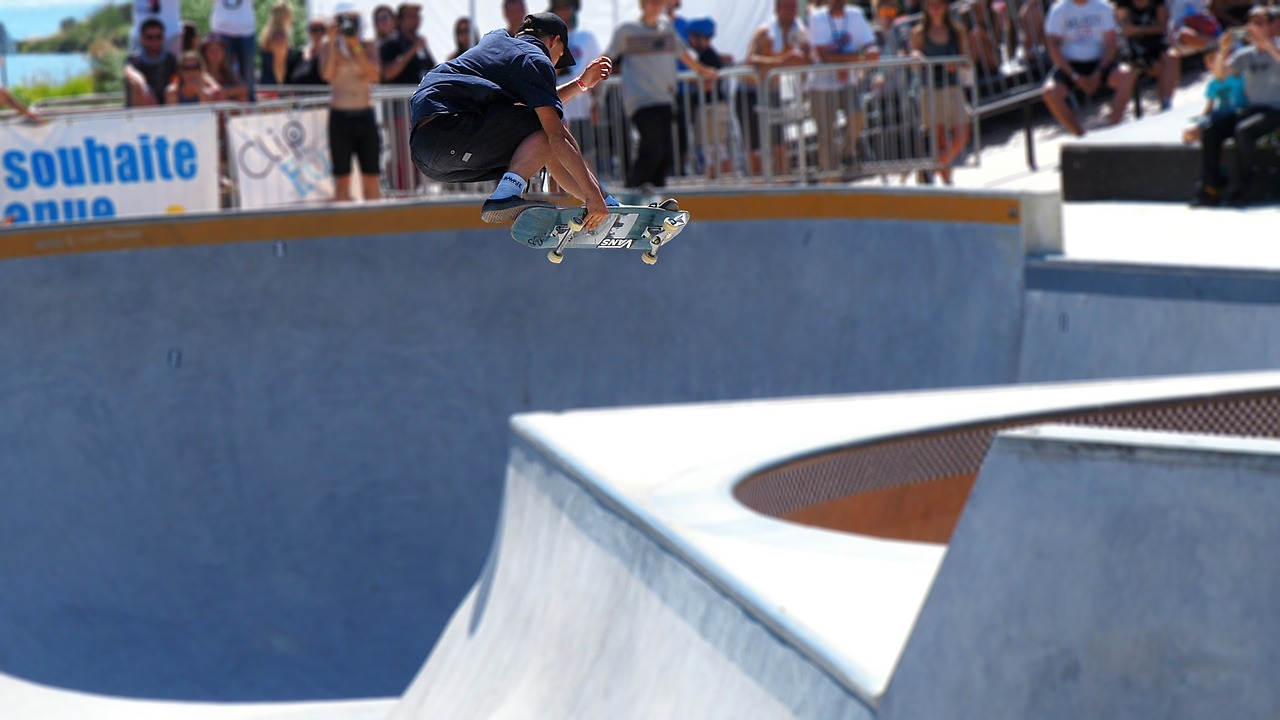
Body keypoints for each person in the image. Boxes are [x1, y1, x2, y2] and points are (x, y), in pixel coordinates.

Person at [409, 12, 614, 226]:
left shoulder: (500, 45)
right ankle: (506, 194)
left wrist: (580, 84)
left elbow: (539, 106)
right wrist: (594, 194)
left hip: (428, 154)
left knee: (541, 143)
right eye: (559, 57)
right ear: (554, 40)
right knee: (551, 128)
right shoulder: (535, 58)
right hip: (449, 129)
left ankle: (601, 203)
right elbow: (556, 135)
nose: (555, 66)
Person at [607, 0, 719, 190]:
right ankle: (629, 193)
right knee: (652, 149)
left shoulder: (667, 27)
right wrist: (591, 84)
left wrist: (703, 71)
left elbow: (683, 54)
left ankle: (656, 200)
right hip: (640, 101)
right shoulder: (626, 30)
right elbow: (608, 56)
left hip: (665, 98)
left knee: (666, 154)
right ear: (642, 4)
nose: (656, 4)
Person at [1191, 5, 1280, 207]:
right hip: (1253, 109)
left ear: (1273, 25)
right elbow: (1220, 76)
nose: (1254, 27)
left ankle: (1242, 188)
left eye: (1260, 22)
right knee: (1212, 130)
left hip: (1275, 109)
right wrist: (1223, 50)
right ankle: (1210, 188)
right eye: (1252, 22)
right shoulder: (1245, 55)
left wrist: (1266, 43)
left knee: (1244, 131)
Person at [1041, 0, 1137, 136]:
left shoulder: (1102, 7)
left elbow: (1111, 42)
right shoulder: (1058, 10)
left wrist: (1100, 70)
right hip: (1070, 66)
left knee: (1127, 75)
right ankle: (1080, 135)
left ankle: (1113, 130)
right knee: (1050, 92)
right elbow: (1053, 48)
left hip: (1100, 62)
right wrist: (1074, 75)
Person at [809, 0, 879, 174]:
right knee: (826, 135)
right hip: (821, 85)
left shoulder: (855, 15)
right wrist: (856, 59)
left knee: (857, 115)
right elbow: (824, 55)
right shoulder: (817, 18)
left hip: (847, 82)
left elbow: (870, 47)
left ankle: (847, 152)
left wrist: (863, 55)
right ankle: (829, 177)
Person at [322, 3, 383, 202]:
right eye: (343, 20)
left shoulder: (367, 43)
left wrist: (354, 45)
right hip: (340, 117)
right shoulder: (328, 45)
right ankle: (342, 232)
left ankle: (376, 228)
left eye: (352, 20)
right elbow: (327, 74)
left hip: (364, 115)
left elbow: (374, 74)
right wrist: (333, 43)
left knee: (372, 179)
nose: (348, 24)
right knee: (342, 180)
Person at [743, 0, 811, 176]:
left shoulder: (799, 33)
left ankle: (783, 181)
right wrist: (781, 61)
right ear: (777, 9)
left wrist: (805, 56)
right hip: (750, 92)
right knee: (755, 145)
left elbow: (809, 59)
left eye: (793, 6)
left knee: (780, 141)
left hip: (773, 91)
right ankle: (757, 188)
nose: (790, 11)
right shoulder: (764, 32)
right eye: (786, 6)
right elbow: (750, 59)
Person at [911, 0, 972, 184]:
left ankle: (932, 167)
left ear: (945, 7)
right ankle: (947, 184)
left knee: (963, 132)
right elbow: (914, 61)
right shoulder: (919, 33)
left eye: (938, 4)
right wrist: (916, 57)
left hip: (952, 87)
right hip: (930, 89)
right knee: (941, 141)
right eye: (931, 5)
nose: (935, 9)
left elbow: (966, 58)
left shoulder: (957, 31)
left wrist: (958, 63)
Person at [549, 0, 602, 173]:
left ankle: (596, 195)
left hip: (581, 107)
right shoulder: (548, 40)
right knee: (556, 157)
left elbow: (597, 72)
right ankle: (563, 197)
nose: (563, 9)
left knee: (584, 154)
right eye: (559, 6)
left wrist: (597, 102)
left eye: (566, 5)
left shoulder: (586, 37)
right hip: (556, 108)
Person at [1116, 0, 1179, 110]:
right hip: (1134, 48)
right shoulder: (1123, 3)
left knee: (1171, 57)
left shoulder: (1158, 3)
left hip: (1156, 43)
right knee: (1160, 68)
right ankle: (1164, 105)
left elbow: (1162, 27)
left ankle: (1166, 103)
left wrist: (1138, 30)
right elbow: (1125, 30)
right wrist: (1147, 30)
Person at [124, 18, 179, 106]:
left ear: (163, 38)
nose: (154, 41)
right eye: (149, 37)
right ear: (142, 38)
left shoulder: (171, 60)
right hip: (141, 110)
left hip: (164, 111)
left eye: (158, 37)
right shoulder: (134, 59)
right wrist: (144, 88)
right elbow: (129, 73)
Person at [210, 0, 257, 101]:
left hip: (246, 30)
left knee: (248, 70)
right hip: (222, 30)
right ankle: (226, 101)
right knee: (224, 69)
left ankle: (250, 102)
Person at [381, 3, 435, 85]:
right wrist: (412, 50)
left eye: (417, 16)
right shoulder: (392, 42)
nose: (415, 20)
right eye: (410, 16)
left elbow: (431, 68)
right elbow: (388, 73)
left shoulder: (420, 41)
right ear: (399, 20)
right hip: (399, 95)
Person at [259, 1, 300, 87]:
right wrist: (282, 87)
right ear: (285, 16)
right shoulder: (280, 37)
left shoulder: (267, 35)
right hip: (275, 87)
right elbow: (279, 66)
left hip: (265, 84)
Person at [202, 33, 249, 100]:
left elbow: (244, 88)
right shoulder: (199, 72)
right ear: (204, 53)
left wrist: (226, 92)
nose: (215, 53)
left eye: (219, 49)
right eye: (211, 50)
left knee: (242, 98)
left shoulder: (229, 72)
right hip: (207, 108)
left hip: (227, 107)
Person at [292, 19, 329, 85]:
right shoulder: (297, 57)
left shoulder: (333, 57)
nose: (318, 33)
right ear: (308, 33)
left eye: (322, 29)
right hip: (302, 95)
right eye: (314, 30)